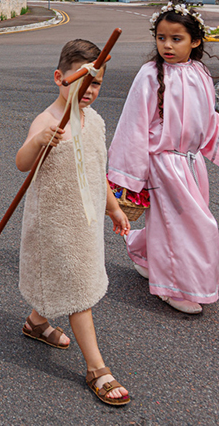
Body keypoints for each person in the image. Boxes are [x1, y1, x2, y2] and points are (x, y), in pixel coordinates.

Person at [107, 3, 219, 314]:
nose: (167, 46)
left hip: (191, 162)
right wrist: (130, 175)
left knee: (175, 221)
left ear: (195, 41)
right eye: (161, 38)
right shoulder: (149, 75)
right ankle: (173, 285)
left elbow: (206, 118)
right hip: (163, 163)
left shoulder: (200, 73)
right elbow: (132, 125)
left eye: (176, 39)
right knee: (192, 224)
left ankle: (143, 252)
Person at [16, 39, 131, 406]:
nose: (88, 89)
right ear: (59, 78)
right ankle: (97, 367)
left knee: (64, 278)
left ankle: (36, 322)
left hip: (86, 221)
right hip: (55, 223)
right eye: (81, 79)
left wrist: (114, 208)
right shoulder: (48, 120)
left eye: (96, 82)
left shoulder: (94, 121)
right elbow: (22, 162)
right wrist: (39, 143)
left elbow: (99, 172)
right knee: (79, 288)